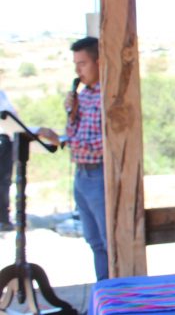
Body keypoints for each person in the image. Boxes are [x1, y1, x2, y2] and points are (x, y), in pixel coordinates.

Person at [39, 37, 109, 281]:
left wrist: (64, 141)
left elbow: (102, 144)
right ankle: (103, 291)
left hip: (99, 173)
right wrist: (72, 112)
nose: (78, 70)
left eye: (83, 64)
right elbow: (78, 133)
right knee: (94, 241)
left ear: (99, 62)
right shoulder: (85, 94)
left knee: (107, 241)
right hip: (81, 173)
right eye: (75, 65)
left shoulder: (108, 97)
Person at [0, 88, 17, 231]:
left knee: (4, 182)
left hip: (6, 139)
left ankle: (4, 218)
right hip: (3, 140)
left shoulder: (2, 94)